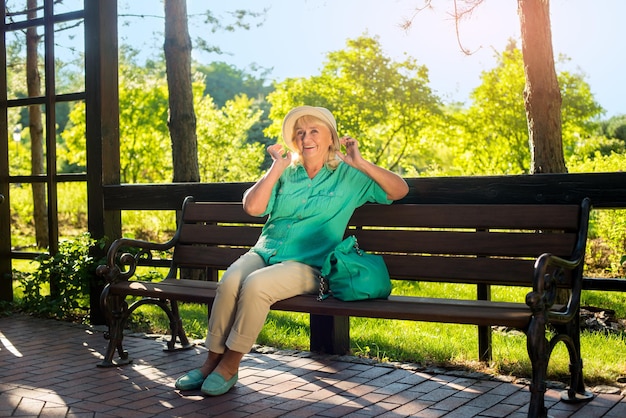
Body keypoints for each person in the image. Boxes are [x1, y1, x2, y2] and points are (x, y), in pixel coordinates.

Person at [175, 105, 409, 396]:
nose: (305, 138)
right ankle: (210, 361)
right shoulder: (287, 172)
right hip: (265, 252)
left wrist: (360, 162)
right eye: (299, 132)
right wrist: (276, 168)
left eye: (313, 131)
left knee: (257, 285)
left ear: (330, 138)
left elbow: (399, 190)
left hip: (309, 265)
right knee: (232, 278)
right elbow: (253, 207)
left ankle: (230, 365)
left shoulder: (349, 175)